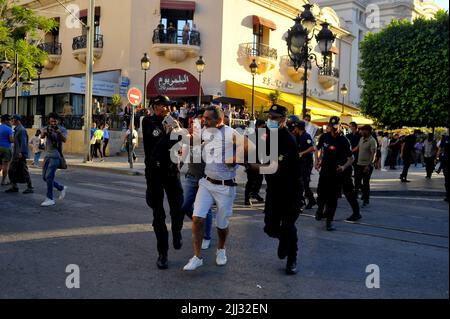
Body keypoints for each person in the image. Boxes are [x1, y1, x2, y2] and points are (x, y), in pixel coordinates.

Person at [183, 105, 252, 271]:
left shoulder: (230, 133)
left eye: (207, 118)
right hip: (206, 182)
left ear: (219, 120)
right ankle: (197, 256)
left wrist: (235, 157)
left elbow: (250, 147)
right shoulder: (206, 131)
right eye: (203, 118)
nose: (204, 121)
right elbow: (194, 141)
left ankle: (221, 249)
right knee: (197, 218)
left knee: (221, 225)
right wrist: (184, 133)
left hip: (225, 187)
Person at [257, 105, 303, 275]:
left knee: (289, 226)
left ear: (283, 120)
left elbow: (273, 167)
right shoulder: (268, 136)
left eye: (274, 117)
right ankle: (283, 239)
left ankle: (292, 259)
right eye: (269, 116)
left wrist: (253, 167)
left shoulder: (288, 140)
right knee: (270, 228)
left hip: (291, 190)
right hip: (274, 190)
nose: (271, 120)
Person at [142, 95, 184, 270]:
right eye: (162, 106)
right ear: (155, 106)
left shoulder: (173, 122)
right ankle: (163, 253)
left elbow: (180, 146)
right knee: (158, 216)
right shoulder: (148, 122)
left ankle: (176, 232)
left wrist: (179, 133)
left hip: (172, 171)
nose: (166, 109)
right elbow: (156, 146)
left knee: (178, 207)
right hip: (154, 173)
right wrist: (170, 134)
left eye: (168, 106)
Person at [315, 116, 360, 231]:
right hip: (325, 171)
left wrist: (344, 167)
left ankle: (329, 221)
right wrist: (317, 160)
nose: (334, 130)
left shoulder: (343, 140)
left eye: (336, 127)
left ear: (340, 126)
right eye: (331, 127)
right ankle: (320, 210)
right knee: (321, 193)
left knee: (333, 198)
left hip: (337, 172)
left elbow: (351, 158)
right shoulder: (324, 137)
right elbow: (317, 148)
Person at [181, 109, 214, 250]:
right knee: (184, 206)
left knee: (206, 210)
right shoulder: (191, 137)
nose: (200, 122)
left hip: (206, 179)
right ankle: (199, 222)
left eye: (202, 119)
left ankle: (206, 236)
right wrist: (179, 165)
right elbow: (184, 153)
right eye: (198, 119)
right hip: (191, 176)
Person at [287, 116, 316, 210]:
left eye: (295, 127)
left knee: (304, 182)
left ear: (298, 128)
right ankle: (309, 200)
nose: (294, 129)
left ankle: (305, 200)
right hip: (299, 163)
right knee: (301, 183)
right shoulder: (297, 136)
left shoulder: (306, 136)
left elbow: (312, 148)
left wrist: (302, 153)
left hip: (306, 163)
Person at [40, 113, 68, 207]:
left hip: (56, 156)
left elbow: (64, 140)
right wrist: (45, 132)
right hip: (47, 155)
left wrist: (58, 132)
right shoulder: (47, 127)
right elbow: (42, 137)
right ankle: (61, 188)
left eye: (55, 121)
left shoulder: (62, 129)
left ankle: (50, 198)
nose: (53, 123)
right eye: (51, 121)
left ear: (58, 121)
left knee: (49, 177)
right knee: (44, 177)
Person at [5, 115, 33, 194]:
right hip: (16, 153)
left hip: (20, 154)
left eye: (13, 119)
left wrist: (21, 152)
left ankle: (30, 187)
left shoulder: (21, 130)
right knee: (12, 170)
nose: (12, 121)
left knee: (23, 170)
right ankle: (14, 186)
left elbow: (23, 142)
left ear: (17, 120)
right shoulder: (17, 129)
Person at [354, 125, 377, 207]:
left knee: (366, 182)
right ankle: (360, 195)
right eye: (361, 130)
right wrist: (349, 152)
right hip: (359, 164)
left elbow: (373, 154)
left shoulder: (372, 140)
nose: (361, 132)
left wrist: (369, 165)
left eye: (363, 130)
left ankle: (366, 199)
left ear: (368, 131)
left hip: (367, 165)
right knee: (357, 181)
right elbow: (357, 148)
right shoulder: (361, 138)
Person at [244, 119, 266, 206]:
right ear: (258, 126)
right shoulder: (251, 134)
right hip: (251, 160)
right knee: (251, 180)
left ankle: (255, 194)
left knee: (259, 179)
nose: (263, 127)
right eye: (262, 126)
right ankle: (247, 198)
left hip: (260, 160)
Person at [0, 114, 14, 186]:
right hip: (6, 148)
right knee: (6, 165)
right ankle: (3, 181)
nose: (10, 121)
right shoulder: (9, 129)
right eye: (9, 120)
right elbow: (11, 140)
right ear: (5, 121)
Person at [437, 133, 449, 201]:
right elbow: (440, 148)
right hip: (446, 161)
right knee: (447, 180)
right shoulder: (445, 138)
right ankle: (448, 195)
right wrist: (437, 157)